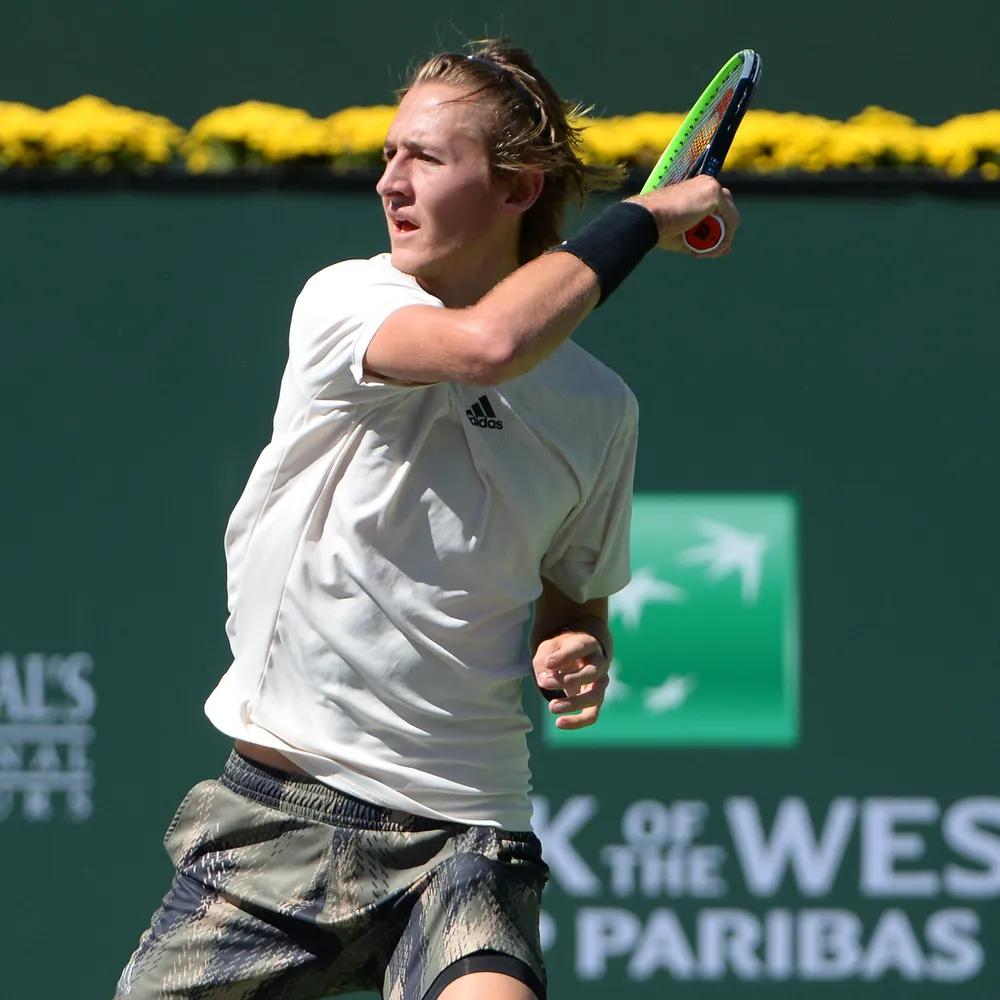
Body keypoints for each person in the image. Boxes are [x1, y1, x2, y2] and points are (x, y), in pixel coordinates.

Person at [114, 38, 739, 1000]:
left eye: (425, 159)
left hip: (465, 829)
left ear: (517, 187)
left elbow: (572, 599)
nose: (388, 182)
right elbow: (487, 344)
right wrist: (645, 218)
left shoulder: (600, 408)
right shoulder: (345, 301)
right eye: (390, 152)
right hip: (278, 818)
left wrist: (574, 645)